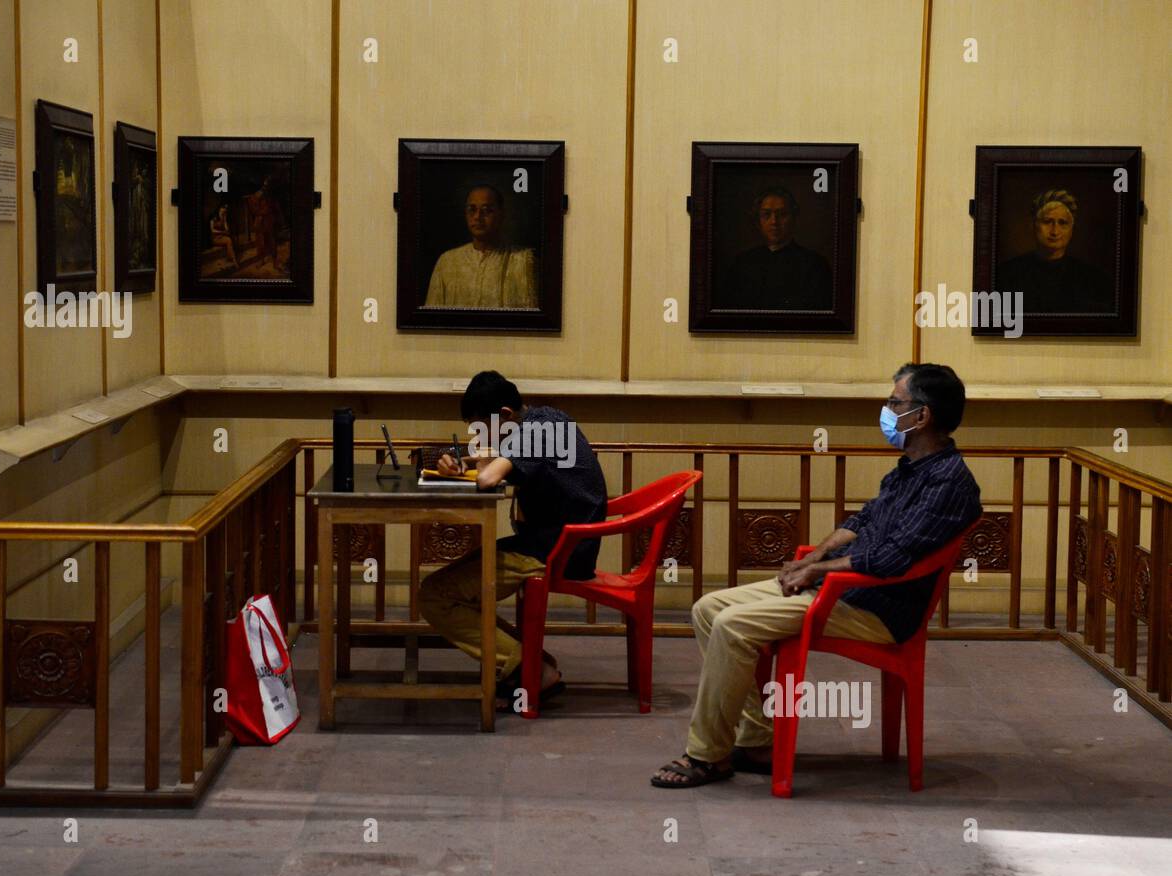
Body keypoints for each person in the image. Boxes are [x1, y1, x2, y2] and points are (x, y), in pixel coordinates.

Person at [652, 363, 982, 787]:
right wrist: (815, 559)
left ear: (922, 416)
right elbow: (862, 521)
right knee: (707, 609)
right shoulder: (908, 468)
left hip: (874, 607)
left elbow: (891, 560)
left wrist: (816, 572)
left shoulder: (950, 482)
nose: (885, 410)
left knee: (733, 626)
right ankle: (754, 740)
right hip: (842, 589)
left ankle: (705, 755)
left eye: (894, 402)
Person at [418, 371, 607, 709]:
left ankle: (530, 669)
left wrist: (476, 461)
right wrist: (458, 463)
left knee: (436, 595)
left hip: (560, 550)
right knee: (456, 588)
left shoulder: (543, 428)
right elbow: (491, 461)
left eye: (481, 427)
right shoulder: (541, 423)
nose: (477, 436)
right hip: (551, 542)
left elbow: (490, 477)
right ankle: (532, 665)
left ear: (505, 415)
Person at [995, 189, 1113, 314]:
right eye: (1047, 222)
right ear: (1033, 225)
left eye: (1062, 223)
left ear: (1072, 229)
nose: (1055, 231)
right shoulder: (1007, 275)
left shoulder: (1092, 279)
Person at [718, 186, 833, 311]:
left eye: (782, 214)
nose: (774, 221)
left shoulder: (814, 264)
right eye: (766, 215)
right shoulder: (742, 263)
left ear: (793, 219)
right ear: (758, 221)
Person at [424, 185, 538, 309]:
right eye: (472, 209)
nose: (478, 217)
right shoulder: (447, 261)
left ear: (501, 214)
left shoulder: (523, 261)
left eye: (487, 210)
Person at [209, 204, 238, 272]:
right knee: (229, 241)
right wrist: (222, 232)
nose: (224, 210)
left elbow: (226, 227)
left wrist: (227, 229)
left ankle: (232, 260)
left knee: (229, 240)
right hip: (214, 238)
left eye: (225, 210)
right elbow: (212, 230)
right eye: (223, 208)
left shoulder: (224, 216)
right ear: (220, 208)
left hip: (221, 236)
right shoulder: (213, 217)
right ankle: (233, 261)